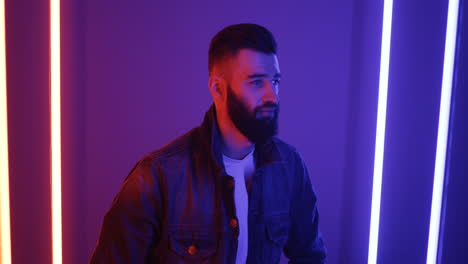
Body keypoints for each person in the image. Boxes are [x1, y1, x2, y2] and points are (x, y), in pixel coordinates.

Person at [90, 23, 327, 264]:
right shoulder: (157, 176)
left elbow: (311, 256)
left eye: (275, 81)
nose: (272, 96)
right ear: (218, 89)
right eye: (256, 82)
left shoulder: (290, 166)